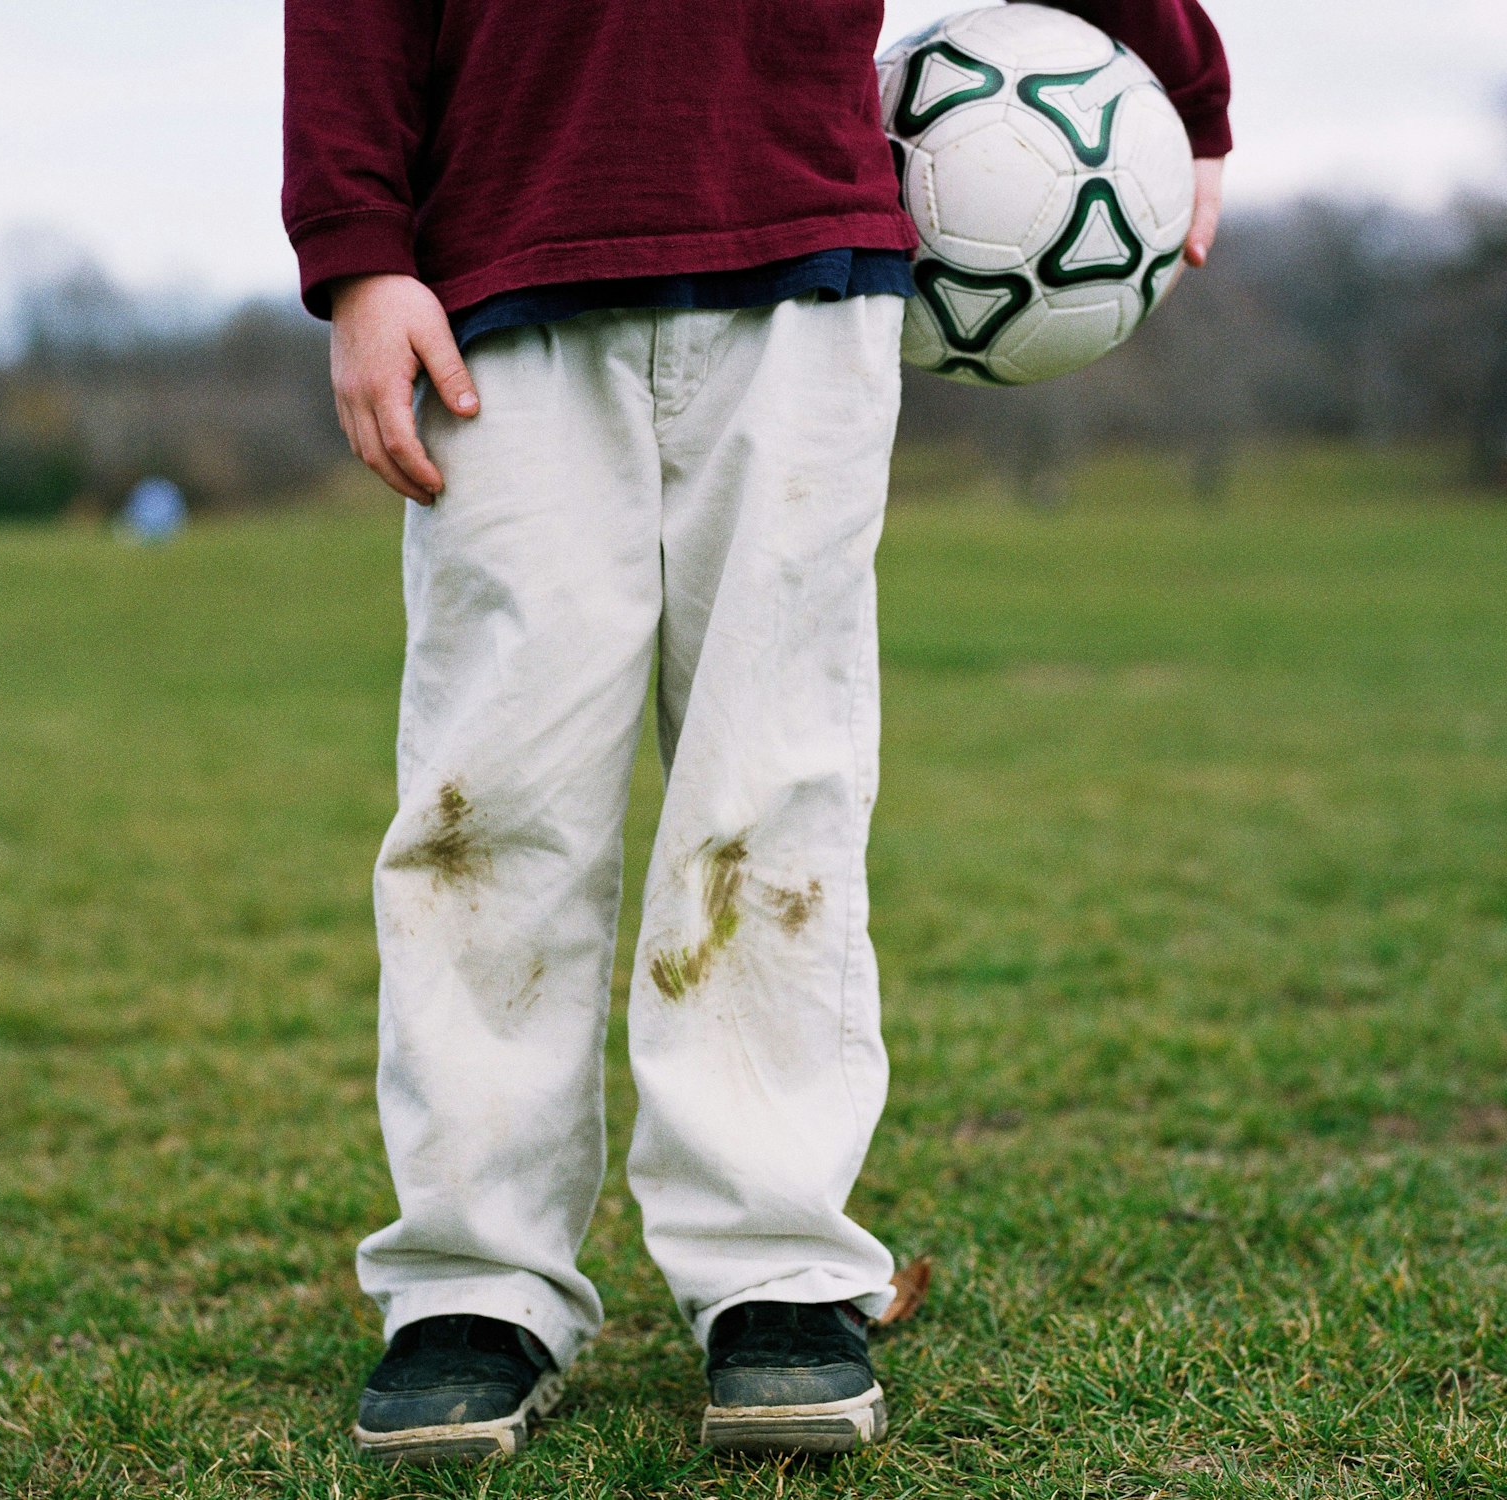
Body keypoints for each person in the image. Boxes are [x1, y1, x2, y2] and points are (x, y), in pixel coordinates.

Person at [283, 0, 1230, 1465]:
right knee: (491, 801)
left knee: (767, 790)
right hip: (500, 272)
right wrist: (357, 247)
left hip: (799, 260)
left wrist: (1183, 82)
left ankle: (775, 1274)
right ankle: (473, 1285)